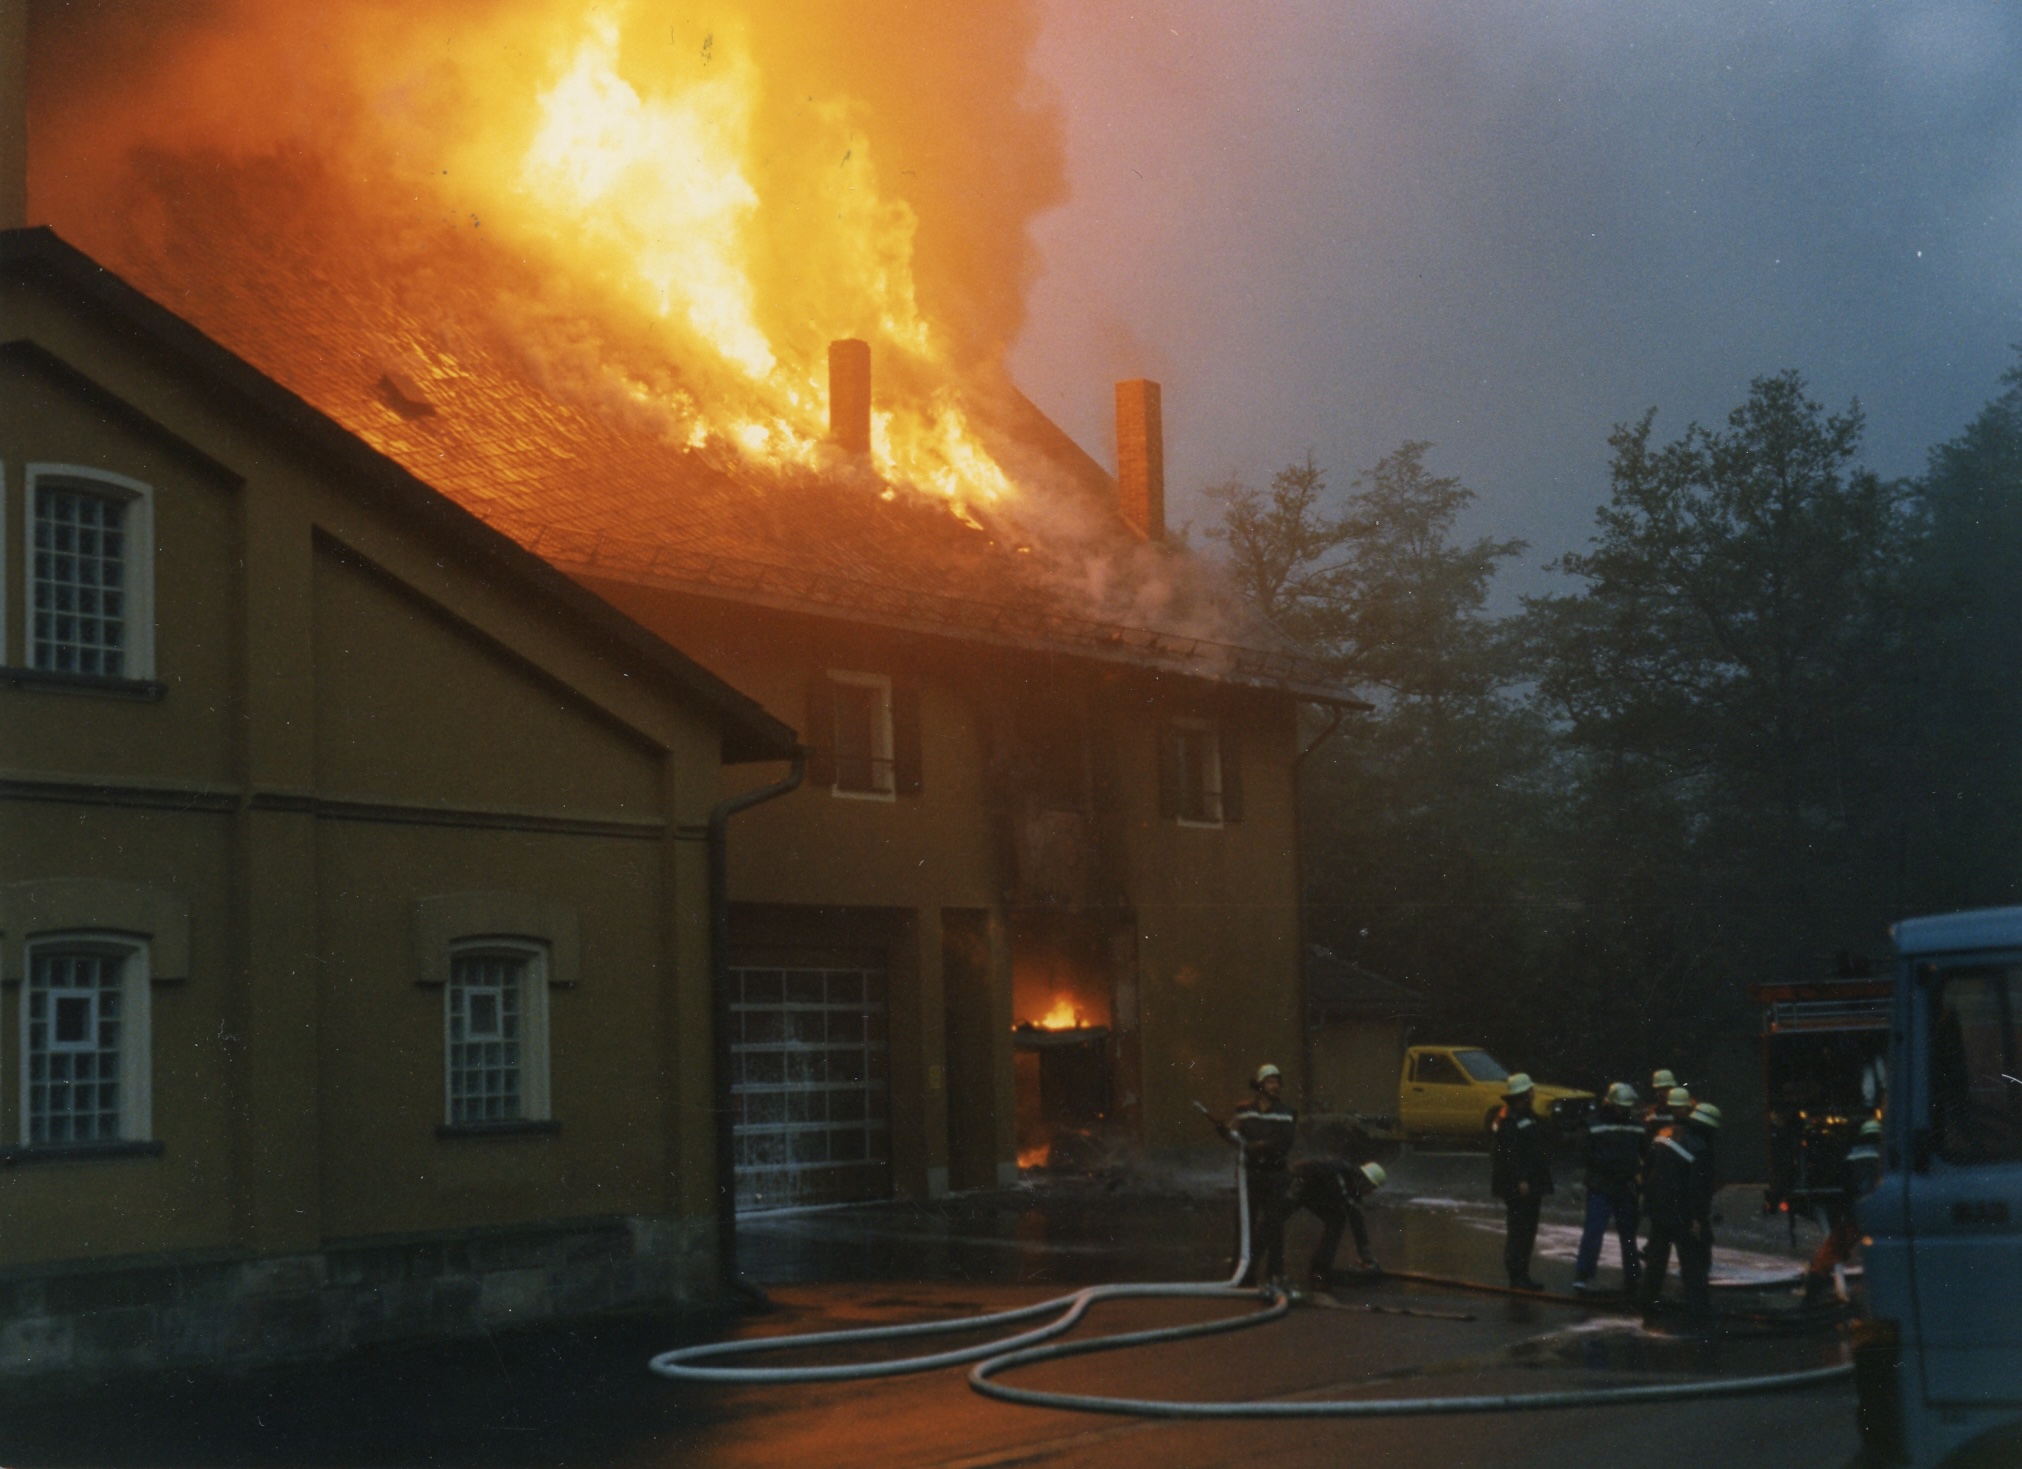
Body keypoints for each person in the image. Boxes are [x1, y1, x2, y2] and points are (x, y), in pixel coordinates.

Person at [1207, 1063, 1298, 1285]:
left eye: (1277, 1082)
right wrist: (1224, 1131)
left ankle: (1275, 1274)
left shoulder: (1286, 1113)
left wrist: (1256, 1146)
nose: (1275, 1086)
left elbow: (1284, 1142)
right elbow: (1236, 1137)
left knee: (1274, 1225)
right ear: (1260, 1085)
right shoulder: (1245, 1110)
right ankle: (1241, 1274)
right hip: (1250, 1176)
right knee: (1244, 1225)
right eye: (1270, 1082)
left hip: (1275, 1176)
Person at [1642, 1100, 1719, 1321]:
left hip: (1658, 1207)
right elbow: (1697, 1188)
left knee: (1656, 1258)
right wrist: (1697, 1218)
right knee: (1693, 1262)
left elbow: (1647, 1170)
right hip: (1682, 1212)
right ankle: (1698, 1310)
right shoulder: (1700, 1148)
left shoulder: (1663, 1134)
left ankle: (1647, 1302)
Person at [1573, 1081, 1646, 1296]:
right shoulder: (1595, 1125)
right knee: (1595, 1232)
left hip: (1620, 1186)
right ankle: (1584, 1275)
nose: (1625, 1111)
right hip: (1603, 1186)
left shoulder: (1632, 1126)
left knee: (1627, 1233)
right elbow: (1583, 1156)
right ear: (1612, 1104)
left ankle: (1632, 1275)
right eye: (1622, 1107)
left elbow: (1645, 1153)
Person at [1802, 1117, 1883, 1305]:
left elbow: (1843, 1183)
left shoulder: (1852, 1154)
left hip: (1855, 1214)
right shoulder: (1886, 1153)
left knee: (1831, 1252)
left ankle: (1811, 1294)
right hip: (1883, 1213)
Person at [1281, 1156, 1387, 1291]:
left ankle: (1319, 1269)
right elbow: (1355, 1218)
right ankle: (1270, 1271)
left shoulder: (1353, 1185)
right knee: (1277, 1218)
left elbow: (1357, 1221)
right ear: (1364, 1180)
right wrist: (1368, 1259)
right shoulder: (1341, 1177)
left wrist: (1368, 1257)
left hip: (1314, 1189)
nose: (1370, 1192)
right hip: (1300, 1178)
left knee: (1336, 1219)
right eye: (1371, 1188)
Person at [1490, 1073, 1554, 1290]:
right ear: (1523, 1095)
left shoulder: (1523, 1115)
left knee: (1527, 1230)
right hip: (1518, 1185)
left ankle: (1522, 1274)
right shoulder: (1510, 1119)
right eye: (1530, 1091)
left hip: (1530, 1182)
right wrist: (1521, 1179)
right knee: (1519, 1230)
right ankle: (1517, 1275)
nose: (1533, 1094)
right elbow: (1510, 1154)